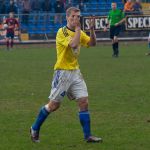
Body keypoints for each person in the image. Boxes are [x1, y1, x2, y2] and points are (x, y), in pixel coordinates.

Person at [30, 7, 102, 143]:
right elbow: (74, 44)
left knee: (84, 102)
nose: (76, 18)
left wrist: (92, 30)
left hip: (75, 72)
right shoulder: (61, 32)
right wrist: (79, 29)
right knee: (53, 106)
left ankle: (88, 136)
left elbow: (92, 43)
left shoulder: (79, 31)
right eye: (74, 16)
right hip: (62, 72)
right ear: (67, 17)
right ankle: (34, 128)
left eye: (78, 16)